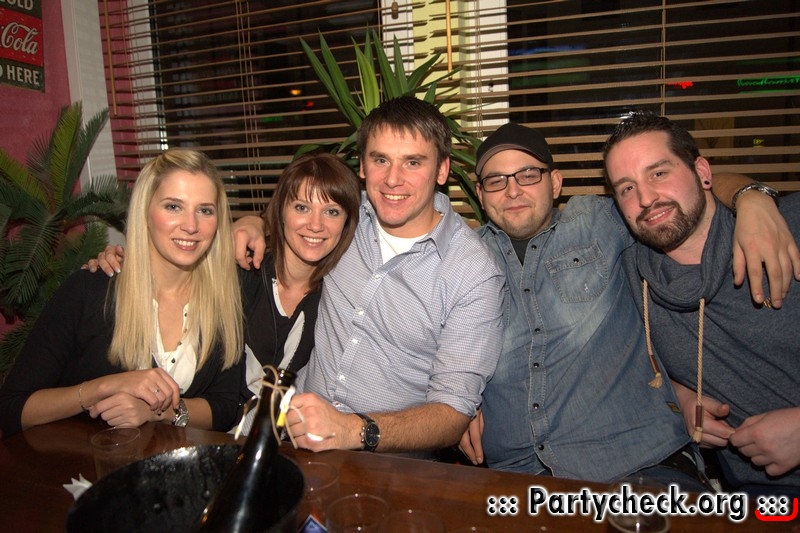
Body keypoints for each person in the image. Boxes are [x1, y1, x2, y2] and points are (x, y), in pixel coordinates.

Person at [459, 122, 798, 487]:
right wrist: (457, 401)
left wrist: (752, 198)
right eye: (496, 181)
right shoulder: (461, 258)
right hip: (516, 475)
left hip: (634, 466)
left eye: (528, 175)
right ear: (480, 193)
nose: (512, 190)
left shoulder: (602, 223)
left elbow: (694, 191)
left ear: (555, 183)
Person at [235, 96, 506, 455]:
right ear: (362, 165)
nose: (393, 179)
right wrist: (252, 223)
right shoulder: (343, 218)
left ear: (442, 170)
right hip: (294, 443)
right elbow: (297, 215)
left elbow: (453, 412)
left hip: (390, 468)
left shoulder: (473, 272)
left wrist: (354, 430)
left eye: (412, 162)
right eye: (381, 160)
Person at [83, 152, 362, 435]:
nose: (315, 224)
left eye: (332, 211)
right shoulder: (236, 274)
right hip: (197, 436)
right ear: (280, 211)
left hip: (282, 444)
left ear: (347, 222)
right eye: (301, 207)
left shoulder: (341, 300)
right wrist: (124, 261)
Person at [604, 111, 800, 495]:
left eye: (659, 173)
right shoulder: (629, 271)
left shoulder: (787, 227)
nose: (646, 199)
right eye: (626, 188)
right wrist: (677, 396)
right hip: (753, 498)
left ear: (703, 172)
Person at [0, 149, 244, 437]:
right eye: (173, 206)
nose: (191, 226)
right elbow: (11, 409)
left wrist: (161, 412)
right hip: (82, 463)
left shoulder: (223, 299)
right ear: (145, 213)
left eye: (205, 210)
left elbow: (226, 405)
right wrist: (104, 387)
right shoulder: (90, 291)